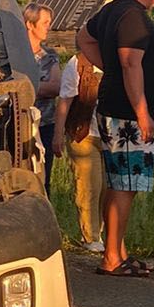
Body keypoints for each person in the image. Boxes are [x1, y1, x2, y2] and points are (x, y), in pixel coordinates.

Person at [80, 0, 154, 277]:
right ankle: (111, 258)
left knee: (119, 183)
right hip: (128, 118)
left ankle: (116, 250)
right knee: (125, 186)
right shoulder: (133, 16)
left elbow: (82, 38)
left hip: (117, 109)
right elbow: (130, 64)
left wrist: (105, 65)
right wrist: (143, 113)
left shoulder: (112, 10)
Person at [52, 26, 105, 252]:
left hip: (110, 136)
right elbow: (65, 102)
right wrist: (58, 135)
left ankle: (102, 235)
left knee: (106, 188)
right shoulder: (77, 64)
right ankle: (90, 237)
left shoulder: (115, 62)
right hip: (82, 134)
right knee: (88, 187)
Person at [23, 3, 61, 193]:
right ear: (30, 24)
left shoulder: (50, 56)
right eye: (45, 22)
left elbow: (55, 87)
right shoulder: (14, 56)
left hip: (45, 126)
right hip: (19, 126)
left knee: (44, 179)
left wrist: (24, 88)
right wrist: (40, 88)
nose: (49, 26)